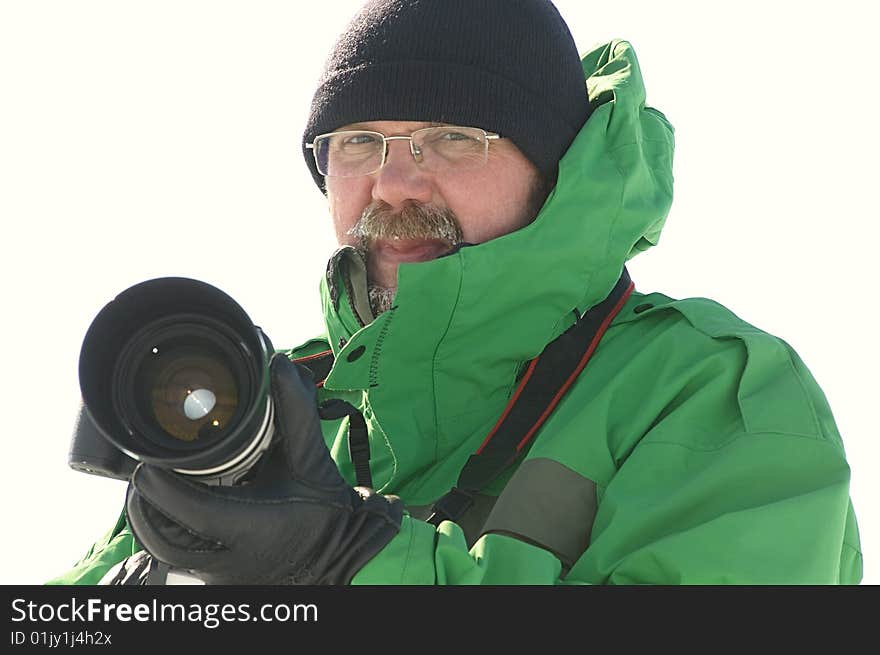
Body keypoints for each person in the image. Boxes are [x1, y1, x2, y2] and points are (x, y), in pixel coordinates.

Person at [49, 0, 862, 585]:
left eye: (452, 137)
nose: (394, 183)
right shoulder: (264, 410)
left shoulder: (711, 389)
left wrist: (346, 565)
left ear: (554, 170)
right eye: (359, 142)